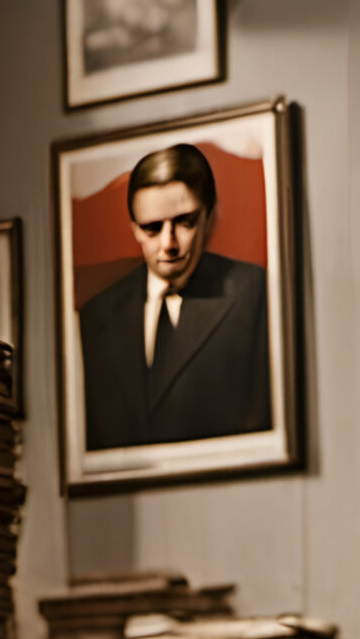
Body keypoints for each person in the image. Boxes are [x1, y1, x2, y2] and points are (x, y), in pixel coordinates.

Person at [77, 142, 271, 449]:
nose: (168, 244)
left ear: (208, 216)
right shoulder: (95, 316)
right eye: (152, 228)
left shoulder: (254, 293)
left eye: (184, 222)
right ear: (135, 229)